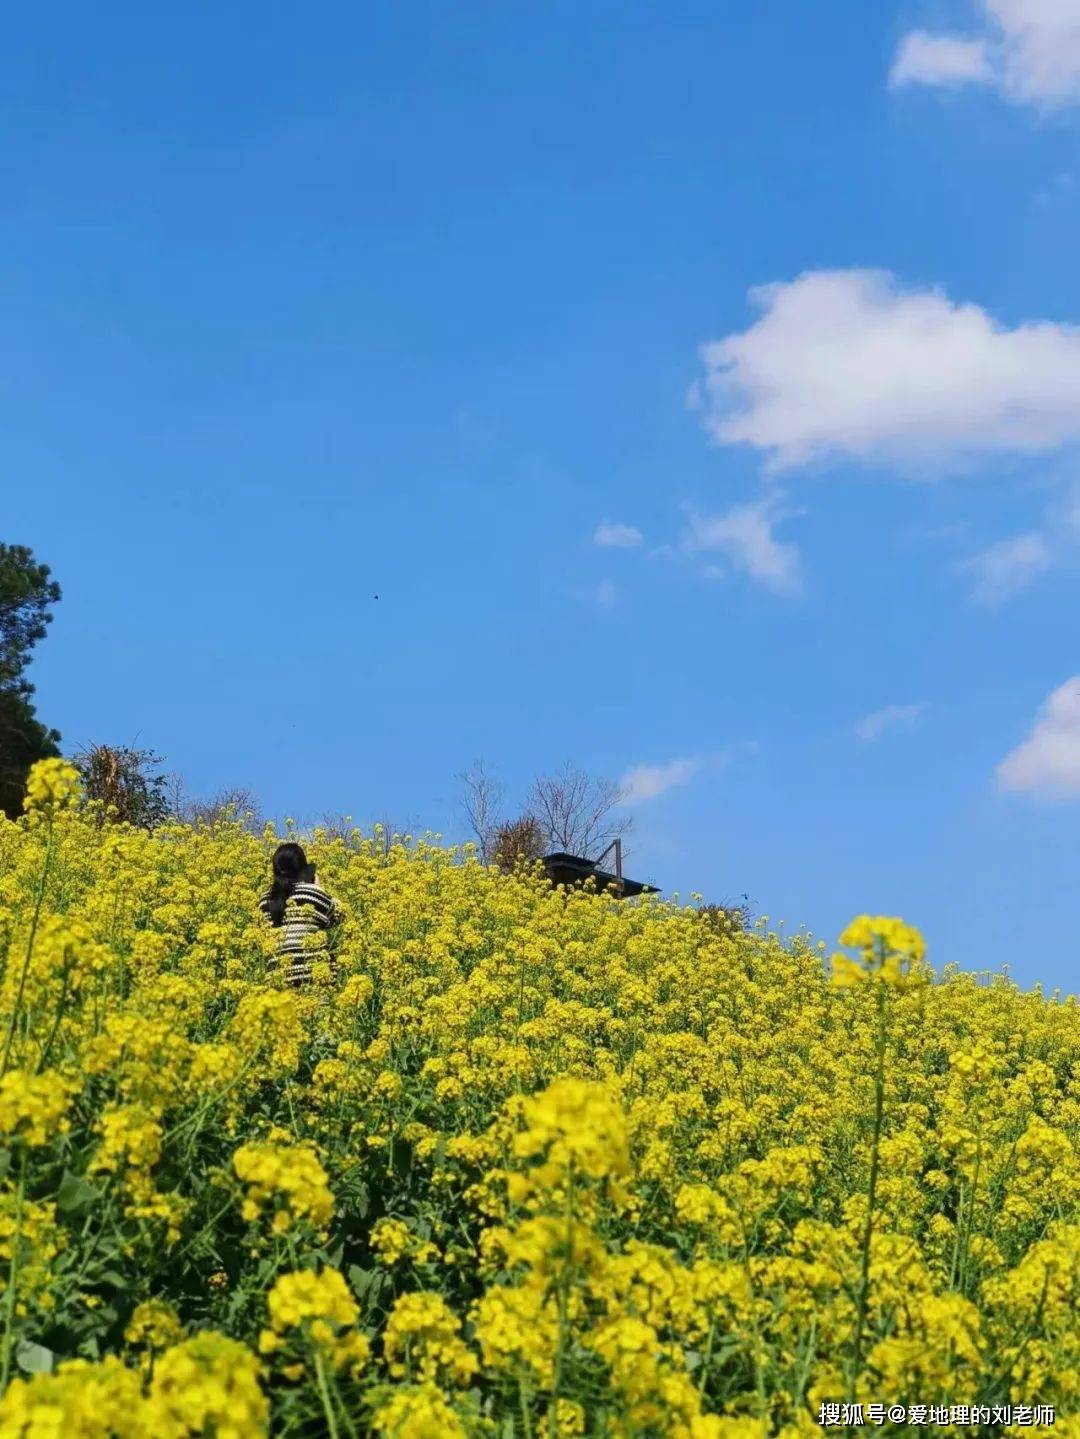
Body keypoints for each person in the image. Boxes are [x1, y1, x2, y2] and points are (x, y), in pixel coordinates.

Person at [258, 841, 342, 987]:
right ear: (303, 870)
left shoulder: (265, 900)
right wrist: (319, 888)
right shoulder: (313, 893)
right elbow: (340, 915)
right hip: (315, 979)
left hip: (277, 983)